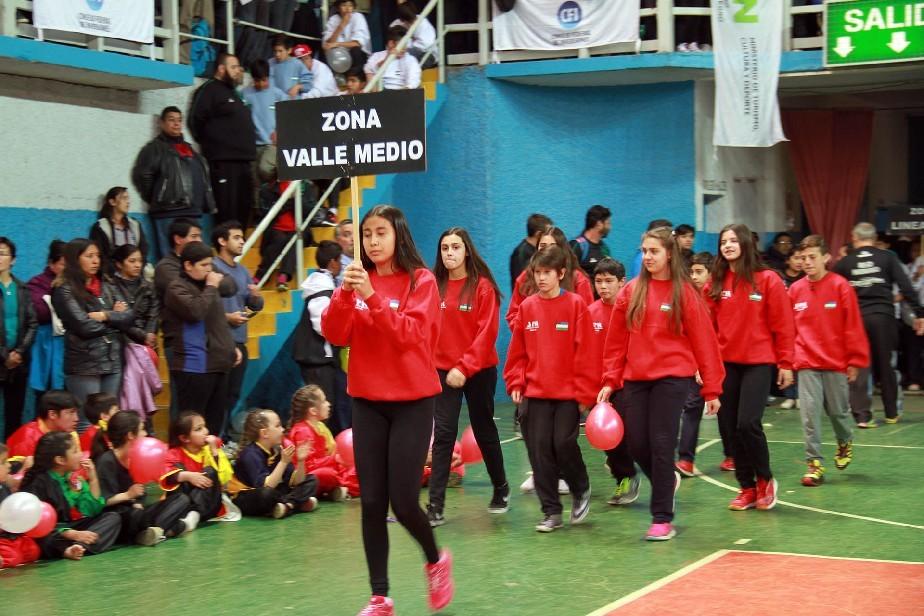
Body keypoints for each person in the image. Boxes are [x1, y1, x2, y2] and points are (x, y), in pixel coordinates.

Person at [321, 204, 454, 615]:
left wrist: (371, 297)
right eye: (366, 234)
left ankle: (435, 560)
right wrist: (346, 294)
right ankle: (380, 596)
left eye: (381, 232)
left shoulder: (421, 281)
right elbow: (334, 333)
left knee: (404, 502)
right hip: (367, 401)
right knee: (372, 501)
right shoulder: (356, 280)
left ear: (398, 234)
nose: (373, 241)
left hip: (413, 401)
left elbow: (410, 336)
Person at [598, 228, 724, 541]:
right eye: (644, 251)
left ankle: (662, 518)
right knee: (637, 443)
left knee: (662, 443)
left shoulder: (685, 293)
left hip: (673, 378)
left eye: (654, 251)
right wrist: (610, 379)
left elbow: (705, 342)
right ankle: (665, 480)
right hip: (636, 379)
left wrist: (711, 387)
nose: (647, 257)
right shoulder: (631, 291)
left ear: (669, 254)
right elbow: (616, 341)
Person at [504, 246, 594, 533]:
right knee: (539, 450)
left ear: (561, 273)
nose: (541, 278)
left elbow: (587, 352)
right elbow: (517, 352)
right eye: (537, 273)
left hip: (568, 394)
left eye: (547, 273)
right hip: (535, 393)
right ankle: (551, 511)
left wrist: (585, 393)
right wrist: (516, 382)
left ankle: (581, 488)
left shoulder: (576, 305)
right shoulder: (527, 307)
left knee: (563, 444)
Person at [708, 223, 794, 512]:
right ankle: (746, 487)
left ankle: (765, 480)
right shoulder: (716, 282)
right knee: (730, 428)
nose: (728, 245)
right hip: (726, 364)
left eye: (733, 240)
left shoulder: (768, 279)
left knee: (747, 423)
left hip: (758, 363)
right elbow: (705, 325)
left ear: (745, 243)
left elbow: (783, 324)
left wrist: (786, 363)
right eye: (723, 241)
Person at [427, 228, 507, 527]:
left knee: (483, 428)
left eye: (455, 247)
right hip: (443, 371)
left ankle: (501, 487)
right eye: (445, 247)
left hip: (478, 370)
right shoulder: (433, 285)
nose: (449, 252)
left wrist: (465, 367)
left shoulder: (483, 287)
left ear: (467, 251)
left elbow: (487, 333)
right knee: (444, 433)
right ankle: (435, 505)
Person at [790, 235, 869, 487]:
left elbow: (853, 326)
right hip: (806, 362)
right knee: (809, 415)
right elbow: (787, 329)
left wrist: (854, 360)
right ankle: (814, 464)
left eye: (812, 257)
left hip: (836, 362)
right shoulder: (795, 290)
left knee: (838, 412)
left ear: (826, 257)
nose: (807, 262)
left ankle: (844, 440)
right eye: (803, 258)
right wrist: (787, 360)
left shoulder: (840, 286)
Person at [834, 222, 924, 427]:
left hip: (857, 319)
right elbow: (906, 287)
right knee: (887, 365)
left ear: (854, 238)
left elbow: (833, 290)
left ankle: (863, 417)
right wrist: (920, 313)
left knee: (859, 366)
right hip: (884, 317)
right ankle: (892, 413)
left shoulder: (845, 262)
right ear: (874, 238)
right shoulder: (888, 257)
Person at [162, 242, 240, 434]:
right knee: (192, 425)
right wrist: (212, 286)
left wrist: (230, 346)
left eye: (210, 264)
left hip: (219, 362)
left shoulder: (209, 286)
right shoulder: (177, 288)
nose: (209, 270)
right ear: (188, 265)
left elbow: (231, 287)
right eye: (204, 265)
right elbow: (195, 312)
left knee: (214, 424)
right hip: (194, 366)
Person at [51, 239, 134, 417]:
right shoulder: (64, 289)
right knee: (87, 420)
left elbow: (129, 317)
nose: (96, 261)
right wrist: (115, 318)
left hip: (112, 360)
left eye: (97, 256)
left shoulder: (107, 284)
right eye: (89, 256)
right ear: (75, 259)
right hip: (85, 364)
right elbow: (84, 326)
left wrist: (105, 315)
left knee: (110, 419)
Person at [583, 258, 639, 506]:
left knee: (632, 434)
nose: (603, 286)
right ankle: (625, 477)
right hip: (600, 387)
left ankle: (629, 465)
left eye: (609, 281)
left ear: (622, 282)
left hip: (628, 382)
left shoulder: (632, 310)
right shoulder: (590, 313)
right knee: (607, 436)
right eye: (598, 281)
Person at [94, 411, 196, 546]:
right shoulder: (106, 461)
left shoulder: (137, 457)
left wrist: (139, 500)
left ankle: (153, 533)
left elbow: (142, 496)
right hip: (120, 518)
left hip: (139, 513)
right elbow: (102, 502)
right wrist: (127, 495)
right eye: (142, 429)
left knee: (181, 499)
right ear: (130, 435)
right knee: (135, 514)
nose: (145, 434)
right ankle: (170, 529)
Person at [20, 432, 122, 560]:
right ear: (60, 460)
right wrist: (70, 533)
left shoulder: (71, 477)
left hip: (68, 529)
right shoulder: (37, 483)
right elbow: (35, 524)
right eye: (75, 451)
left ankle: (78, 547)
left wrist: (93, 479)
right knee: (43, 539)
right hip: (49, 533)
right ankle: (70, 549)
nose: (80, 454)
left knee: (112, 517)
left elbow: (91, 511)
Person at [132, 106, 214, 261]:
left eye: (179, 120)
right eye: (171, 120)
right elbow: (143, 176)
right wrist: (160, 196)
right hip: (168, 212)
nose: (176, 124)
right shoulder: (154, 148)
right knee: (170, 257)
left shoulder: (189, 148)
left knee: (195, 257)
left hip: (193, 212)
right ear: (162, 123)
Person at [679, 251, 735, 474]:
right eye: (691, 272)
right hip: (695, 363)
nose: (694, 276)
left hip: (720, 362)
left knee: (724, 409)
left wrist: (710, 364)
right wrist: (695, 364)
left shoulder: (717, 297)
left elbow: (716, 335)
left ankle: (732, 454)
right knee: (692, 406)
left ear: (711, 274)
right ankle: (686, 460)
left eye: (699, 272)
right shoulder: (686, 297)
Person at [188, 53, 256, 228]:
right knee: (228, 213)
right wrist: (213, 146)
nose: (238, 70)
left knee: (244, 210)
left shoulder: (234, 93)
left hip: (244, 161)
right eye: (233, 67)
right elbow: (195, 120)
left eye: (238, 67)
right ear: (221, 69)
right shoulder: (208, 90)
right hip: (224, 162)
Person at [211, 222, 264, 422]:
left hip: (240, 339)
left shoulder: (242, 271)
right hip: (219, 341)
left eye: (242, 237)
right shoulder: (213, 268)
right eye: (236, 237)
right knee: (218, 395)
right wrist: (227, 317)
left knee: (233, 395)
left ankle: (223, 434)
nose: (242, 241)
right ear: (222, 241)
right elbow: (206, 306)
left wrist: (256, 297)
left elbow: (254, 305)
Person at [226, 409, 318, 518]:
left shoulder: (275, 450)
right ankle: (297, 503)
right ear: (264, 433)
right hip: (247, 496)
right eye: (278, 426)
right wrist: (283, 462)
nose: (282, 429)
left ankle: (288, 506)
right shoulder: (250, 454)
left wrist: (301, 461)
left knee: (311, 479)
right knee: (266, 494)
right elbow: (267, 486)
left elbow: (297, 481)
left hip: (272, 491)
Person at [294, 241, 343, 422]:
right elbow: (322, 324)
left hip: (318, 359)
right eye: (340, 261)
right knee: (321, 409)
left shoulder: (321, 285)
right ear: (333, 263)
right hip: (318, 360)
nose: (341, 265)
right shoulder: (323, 289)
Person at [507, 226, 594, 326]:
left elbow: (587, 317)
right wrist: (531, 330)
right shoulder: (525, 277)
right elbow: (514, 314)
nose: (547, 250)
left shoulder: (578, 279)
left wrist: (562, 329)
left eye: (553, 246)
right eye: (543, 246)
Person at [159, 411, 233, 521]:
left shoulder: (211, 448)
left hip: (207, 507)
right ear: (184, 438)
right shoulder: (174, 453)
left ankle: (193, 514)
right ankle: (187, 513)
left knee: (210, 471)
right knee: (178, 470)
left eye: (204, 426)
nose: (206, 431)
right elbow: (166, 477)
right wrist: (188, 476)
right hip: (183, 503)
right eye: (199, 429)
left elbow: (224, 479)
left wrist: (214, 451)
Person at [287, 385, 355, 500]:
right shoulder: (303, 431)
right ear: (313, 411)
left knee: (356, 469)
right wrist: (334, 459)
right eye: (324, 401)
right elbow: (308, 466)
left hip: (328, 467)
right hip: (309, 476)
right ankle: (342, 489)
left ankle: (338, 490)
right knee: (326, 474)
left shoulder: (319, 426)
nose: (328, 404)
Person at [0, 237, 38, 439]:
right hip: (2, 357)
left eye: (2, 253)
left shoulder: (22, 289)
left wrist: (19, 352)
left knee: (14, 414)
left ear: (13, 260)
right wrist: (4, 355)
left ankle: (11, 455)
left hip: (18, 362)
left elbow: (32, 323)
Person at [154, 218, 235, 304]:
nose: (199, 240)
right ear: (178, 239)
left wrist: (209, 282)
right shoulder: (165, 267)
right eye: (194, 236)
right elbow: (190, 295)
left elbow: (231, 286)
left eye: (200, 236)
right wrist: (212, 282)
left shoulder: (204, 260)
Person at [26, 240, 67, 398]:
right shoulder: (37, 283)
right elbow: (40, 312)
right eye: (63, 264)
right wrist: (57, 291)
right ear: (51, 263)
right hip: (46, 344)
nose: (67, 269)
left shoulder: (77, 283)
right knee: (47, 396)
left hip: (71, 348)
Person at [243, 59, 289, 190]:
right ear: (253, 79)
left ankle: (277, 181)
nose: (261, 84)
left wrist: (280, 131)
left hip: (272, 143)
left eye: (264, 80)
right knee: (255, 182)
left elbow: (289, 115)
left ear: (268, 77)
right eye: (257, 81)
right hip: (253, 145)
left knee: (264, 169)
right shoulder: (245, 94)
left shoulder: (278, 94)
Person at [89, 187, 151, 275]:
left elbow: (143, 250)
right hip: (112, 274)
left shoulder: (134, 225)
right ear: (112, 202)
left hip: (136, 274)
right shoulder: (101, 227)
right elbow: (101, 255)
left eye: (128, 198)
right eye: (124, 198)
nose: (128, 202)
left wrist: (138, 267)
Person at [0, 442, 41, 568]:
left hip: (12, 535)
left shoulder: (4, 486)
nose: (9, 465)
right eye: (3, 462)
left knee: (33, 551)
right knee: (12, 557)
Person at [6, 390, 79, 459]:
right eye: (71, 413)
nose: (76, 419)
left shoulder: (69, 432)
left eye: (76, 412)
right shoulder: (26, 440)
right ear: (52, 414)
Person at [363, 25, 421, 91]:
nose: (405, 48)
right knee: (370, 74)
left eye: (406, 44)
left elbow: (412, 82)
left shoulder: (411, 59)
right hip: (382, 90)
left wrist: (401, 93)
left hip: (402, 91)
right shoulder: (377, 56)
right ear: (391, 43)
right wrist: (388, 58)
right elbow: (369, 71)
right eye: (402, 44)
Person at [324, 0, 372, 72]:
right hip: (339, 56)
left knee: (355, 50)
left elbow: (357, 43)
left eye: (350, 5)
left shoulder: (358, 17)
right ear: (338, 8)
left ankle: (354, 76)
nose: (347, 9)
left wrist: (336, 44)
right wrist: (341, 26)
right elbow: (328, 44)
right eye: (344, 5)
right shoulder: (333, 19)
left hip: (358, 56)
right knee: (328, 52)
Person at [509, 213, 552, 292]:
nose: (550, 237)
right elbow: (523, 285)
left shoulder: (538, 250)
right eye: (547, 234)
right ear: (538, 234)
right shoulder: (521, 254)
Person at [569, 205, 612, 280]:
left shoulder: (605, 248)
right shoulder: (577, 246)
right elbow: (567, 274)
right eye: (608, 223)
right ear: (599, 224)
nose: (610, 227)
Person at [390, 1, 438, 68]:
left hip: (426, 53)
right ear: (402, 20)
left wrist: (408, 46)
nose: (413, 22)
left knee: (415, 62)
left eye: (413, 20)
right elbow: (392, 41)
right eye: (410, 21)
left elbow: (426, 44)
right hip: (403, 53)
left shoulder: (423, 23)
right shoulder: (396, 24)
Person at [334, 219, 355, 286]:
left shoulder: (367, 260)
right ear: (337, 240)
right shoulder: (336, 266)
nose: (353, 238)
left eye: (357, 234)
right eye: (347, 235)